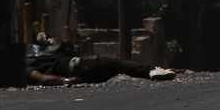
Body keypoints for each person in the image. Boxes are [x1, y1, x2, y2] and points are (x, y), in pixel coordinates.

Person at [27, 47, 176, 86]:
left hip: (80, 69)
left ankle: (151, 70)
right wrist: (66, 80)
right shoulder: (25, 67)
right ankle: (151, 71)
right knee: (116, 64)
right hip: (79, 68)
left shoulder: (32, 60)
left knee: (116, 66)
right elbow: (41, 78)